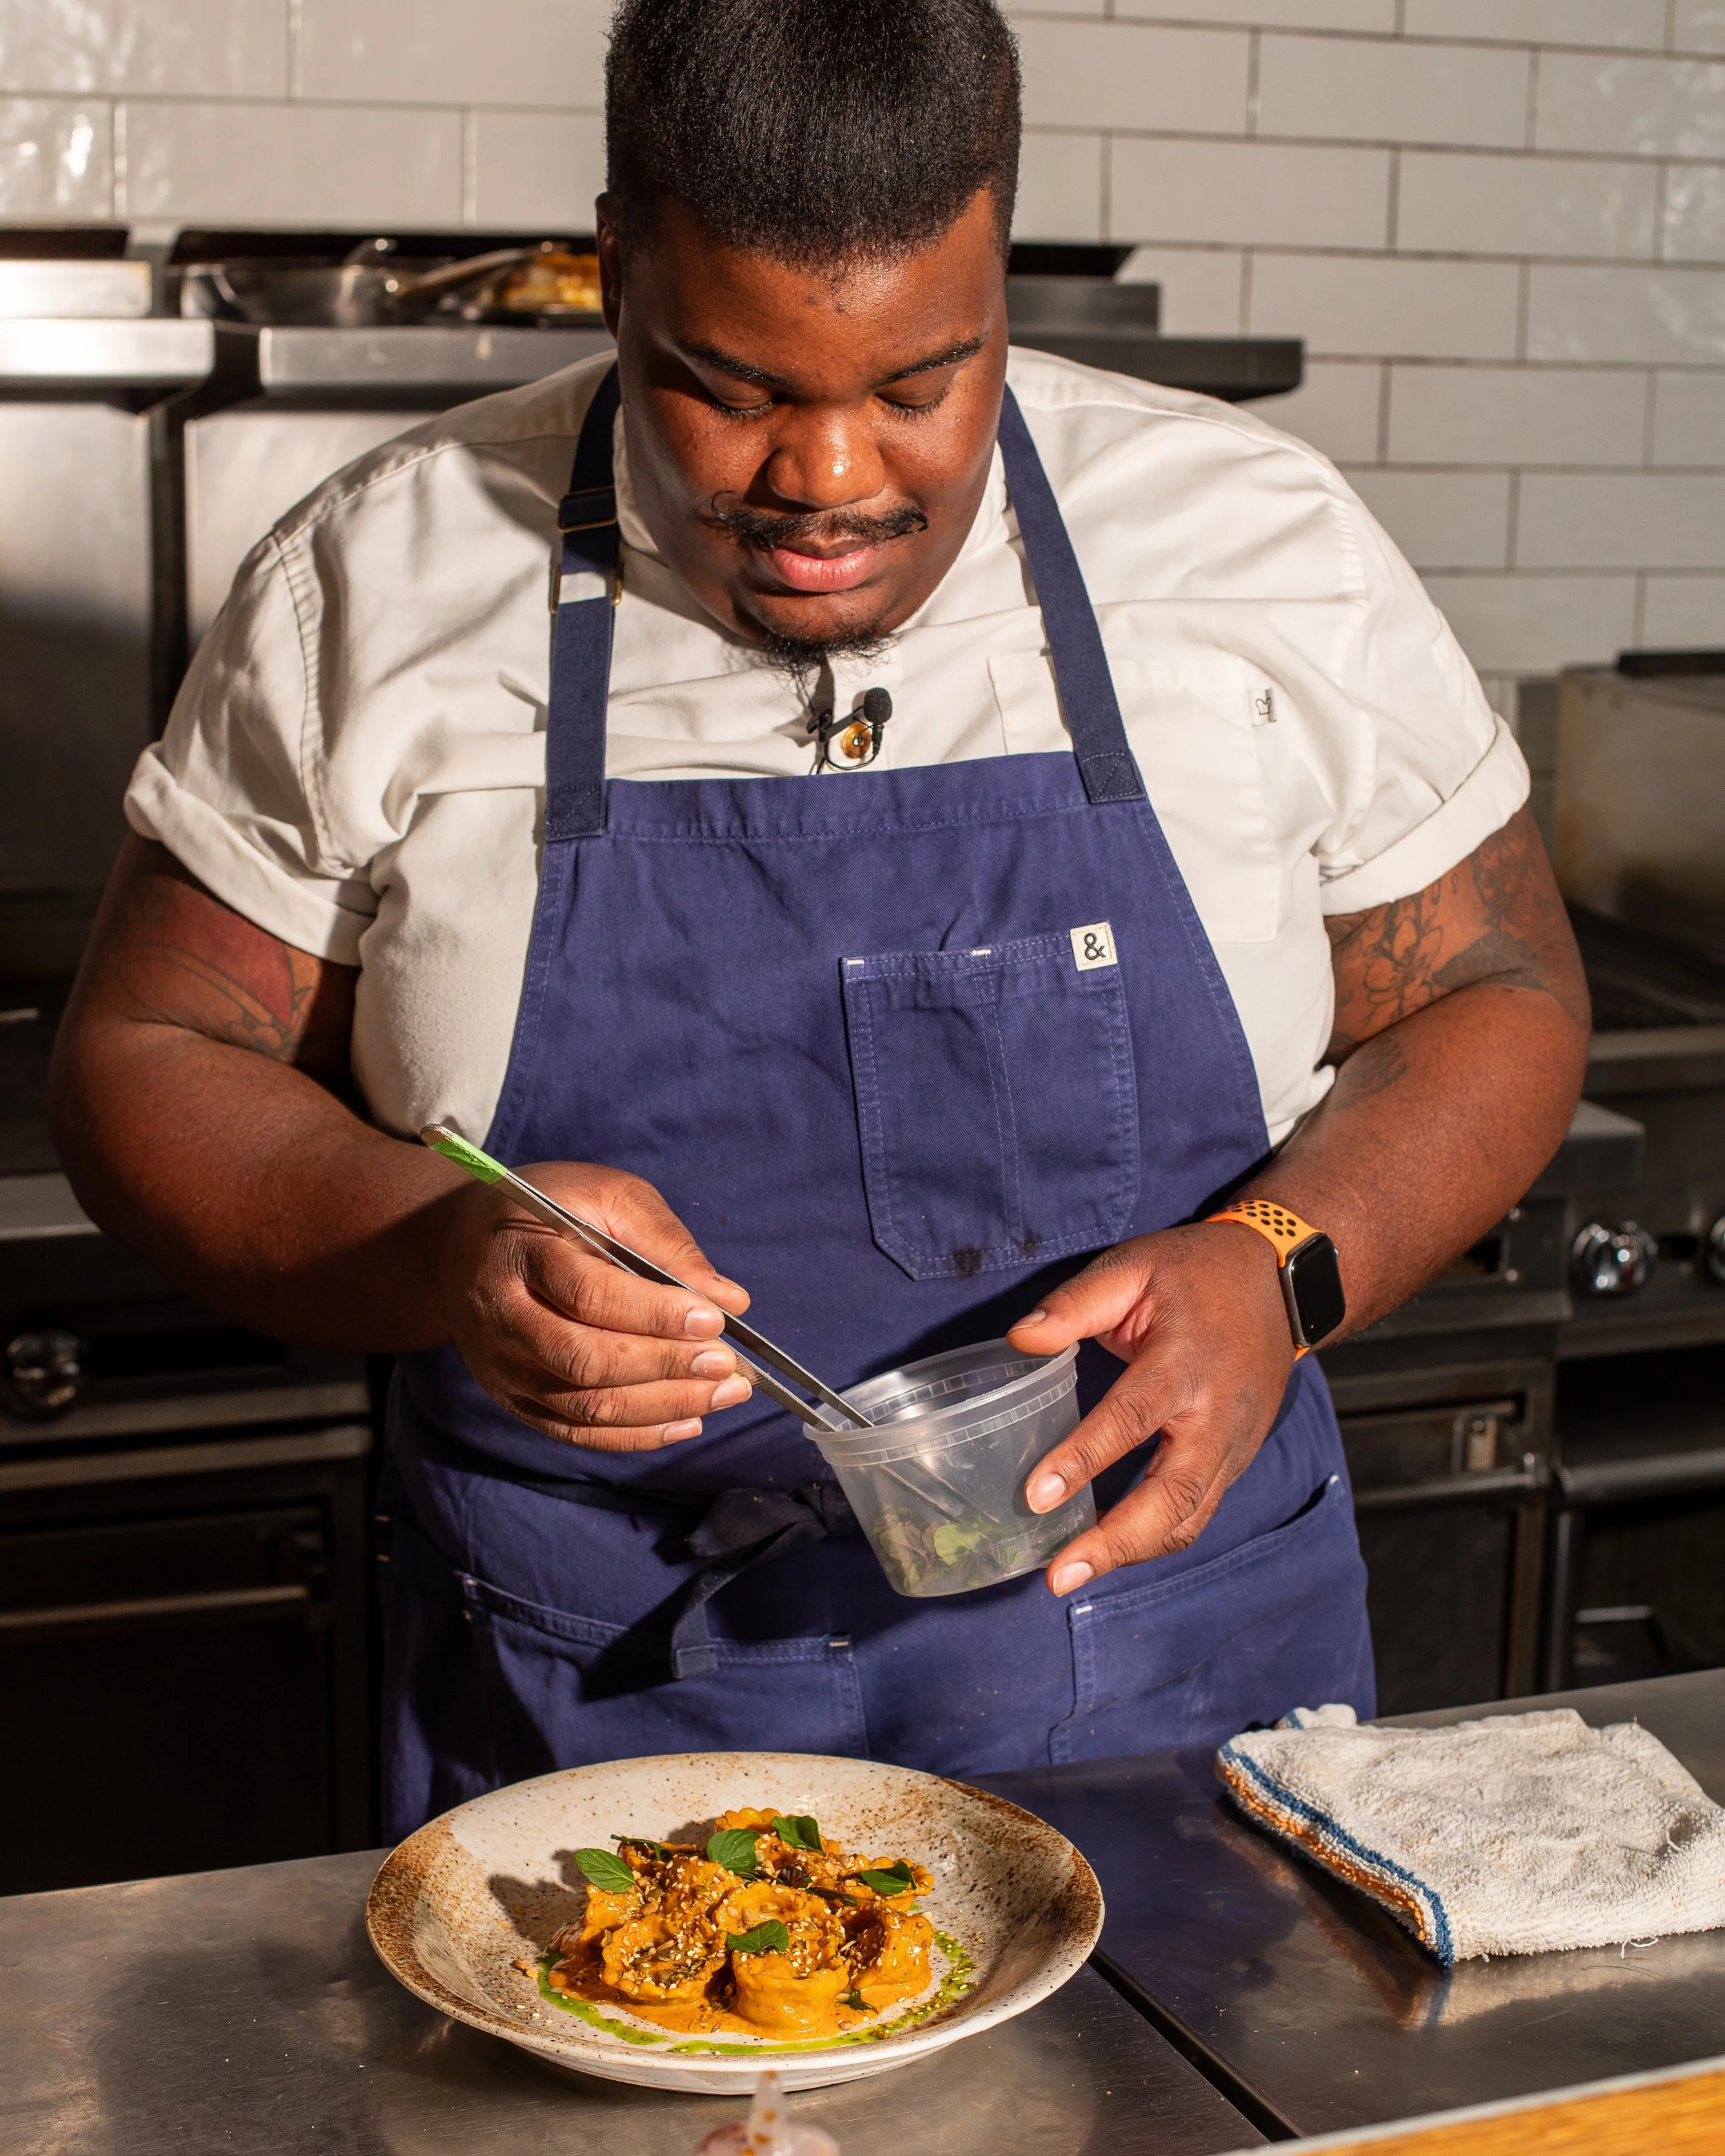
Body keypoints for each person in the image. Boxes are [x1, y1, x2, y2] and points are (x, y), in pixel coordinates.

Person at [50, 0, 1588, 1836]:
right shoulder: (379, 579)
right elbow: (144, 1054)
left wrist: (1277, 1258)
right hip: (608, 1728)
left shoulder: (1250, 542)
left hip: (1170, 1690)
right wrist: (441, 1247)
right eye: (737, 383)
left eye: (919, 379)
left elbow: (1496, 986)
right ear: (611, 267)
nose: (832, 479)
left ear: (996, 259)